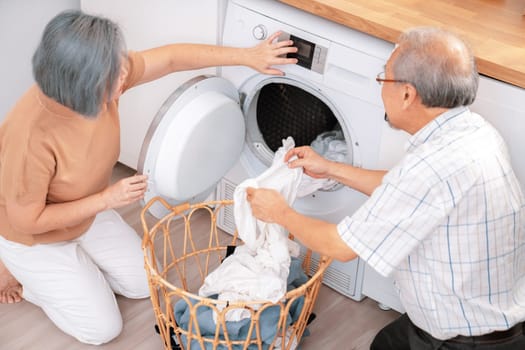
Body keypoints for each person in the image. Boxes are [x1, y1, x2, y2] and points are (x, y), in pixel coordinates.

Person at [0, 10, 297, 345]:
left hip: (84, 215)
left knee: (144, 285)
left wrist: (248, 57)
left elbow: (171, 58)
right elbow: (27, 220)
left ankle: (74, 273)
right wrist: (106, 199)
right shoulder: (31, 137)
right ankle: (21, 272)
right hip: (33, 235)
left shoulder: (100, 80)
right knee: (101, 330)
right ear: (83, 84)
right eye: (114, 71)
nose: (124, 72)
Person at [246, 26, 525, 349]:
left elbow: (340, 246)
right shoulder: (475, 132)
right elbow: (404, 190)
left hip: (466, 340)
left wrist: (279, 212)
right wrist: (331, 168)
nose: (380, 89)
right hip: (494, 315)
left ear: (407, 94)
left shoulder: (430, 167)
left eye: (384, 78)